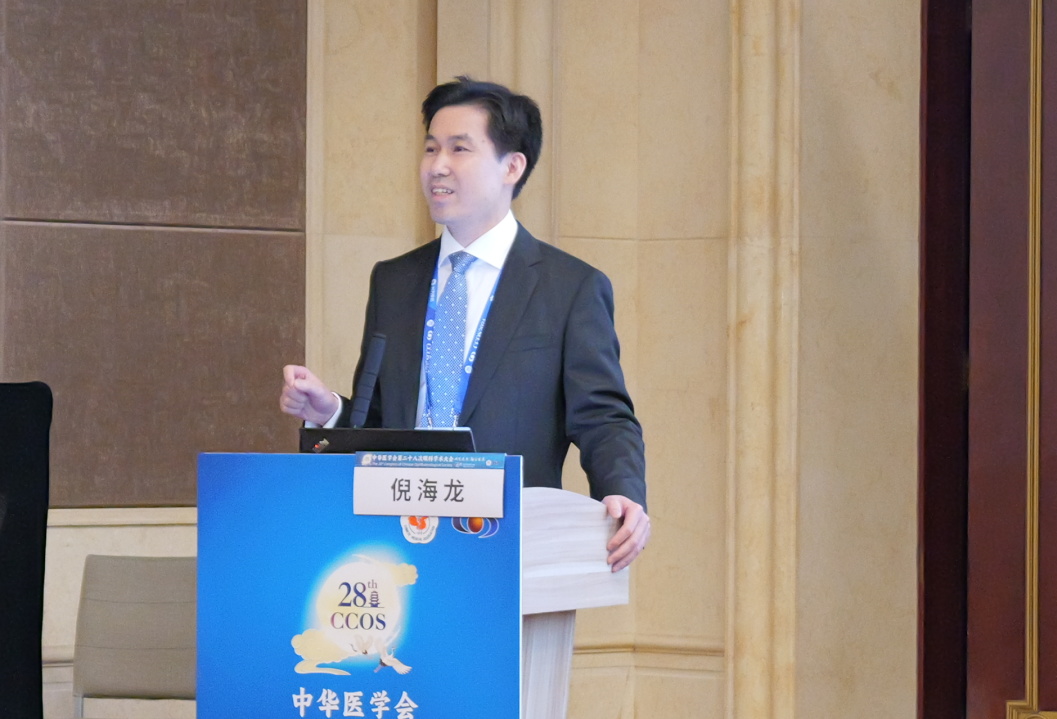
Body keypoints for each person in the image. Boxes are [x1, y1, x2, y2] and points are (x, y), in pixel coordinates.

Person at [281, 77, 649, 571]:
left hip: (509, 552)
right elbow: (381, 424)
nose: (437, 166)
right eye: (431, 148)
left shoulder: (570, 288)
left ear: (512, 166)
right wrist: (329, 412)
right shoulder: (394, 280)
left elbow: (603, 416)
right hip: (398, 550)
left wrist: (622, 491)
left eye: (459, 149)